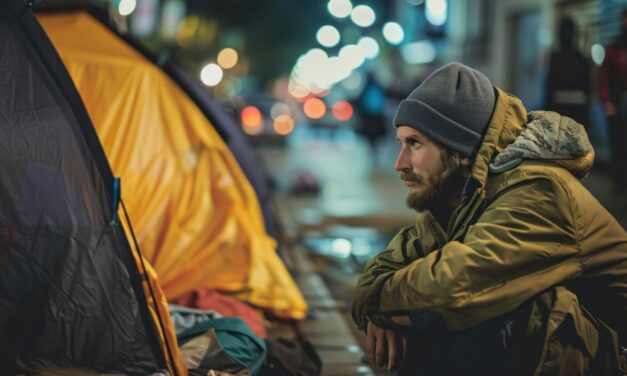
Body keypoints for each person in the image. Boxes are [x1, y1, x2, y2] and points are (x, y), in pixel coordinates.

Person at [352, 62, 627, 375]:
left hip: (617, 358)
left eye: (414, 144)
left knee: (507, 306)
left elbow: (457, 283)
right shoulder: (457, 197)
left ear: (461, 151)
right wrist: (380, 309)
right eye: (401, 143)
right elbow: (379, 272)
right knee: (420, 309)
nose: (399, 163)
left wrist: (380, 306)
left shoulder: (541, 189)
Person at [599, 9, 627, 193]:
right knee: (618, 144)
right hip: (618, 104)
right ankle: (620, 183)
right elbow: (604, 78)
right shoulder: (614, 47)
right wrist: (607, 101)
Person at [545, 16, 590, 127]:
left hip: (558, 109)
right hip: (579, 109)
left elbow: (550, 86)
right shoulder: (582, 58)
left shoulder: (555, 57)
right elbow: (587, 87)